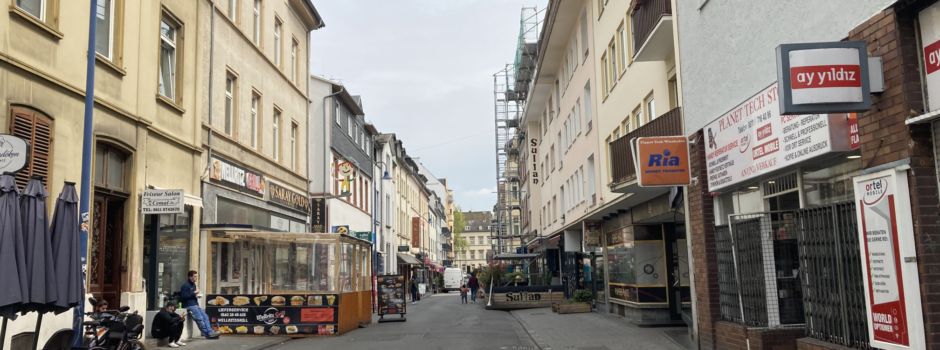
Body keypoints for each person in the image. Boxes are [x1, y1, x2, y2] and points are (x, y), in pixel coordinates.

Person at [180, 270, 218, 339]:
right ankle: (207, 334)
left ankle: (210, 332)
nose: (196, 278)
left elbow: (191, 295)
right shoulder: (185, 286)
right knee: (199, 319)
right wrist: (194, 293)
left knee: (205, 317)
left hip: (195, 304)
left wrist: (196, 295)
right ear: (190, 277)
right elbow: (183, 297)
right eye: (194, 276)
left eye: (196, 276)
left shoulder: (193, 285)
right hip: (189, 305)